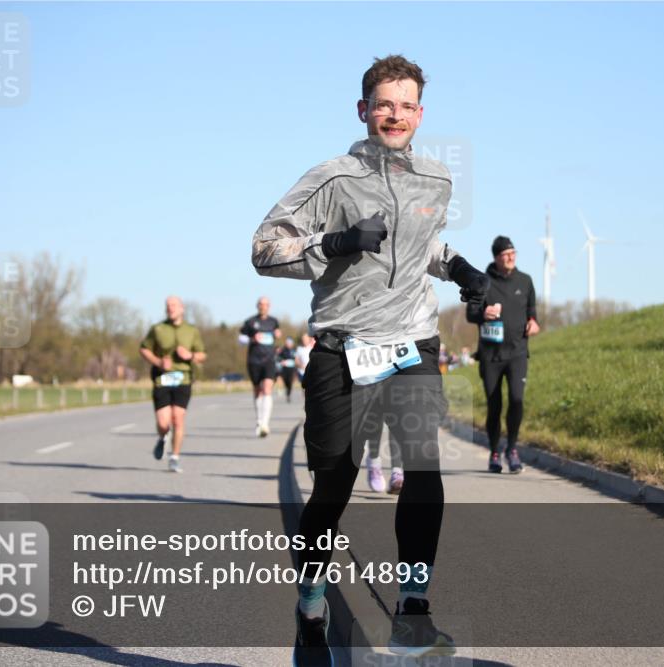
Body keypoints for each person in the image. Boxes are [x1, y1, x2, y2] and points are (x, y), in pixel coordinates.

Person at [252, 54, 489, 665]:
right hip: (342, 345)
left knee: (424, 471)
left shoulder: (436, 179)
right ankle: (310, 601)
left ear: (420, 114)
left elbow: (421, 244)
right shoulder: (332, 178)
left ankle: (412, 611)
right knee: (334, 484)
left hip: (412, 341)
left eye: (406, 105)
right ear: (364, 110)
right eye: (384, 104)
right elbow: (264, 248)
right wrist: (331, 242)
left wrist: (459, 268)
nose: (395, 115)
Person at [466, 236, 540, 474]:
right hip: (491, 355)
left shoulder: (525, 281)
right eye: (506, 254)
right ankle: (495, 451)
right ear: (496, 257)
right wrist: (482, 312)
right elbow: (471, 313)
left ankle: (512, 449)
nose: (511, 257)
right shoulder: (483, 281)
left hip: (517, 352)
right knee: (494, 406)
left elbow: (533, 314)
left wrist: (534, 323)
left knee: (517, 400)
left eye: (513, 253)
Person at [139, 296, 206, 473]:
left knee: (178, 417)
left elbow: (202, 355)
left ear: (182, 308)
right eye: (168, 306)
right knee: (163, 422)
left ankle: (174, 457)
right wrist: (158, 362)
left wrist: (189, 356)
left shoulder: (191, 331)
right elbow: (144, 349)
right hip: (162, 378)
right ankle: (163, 437)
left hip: (183, 378)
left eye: (174, 305)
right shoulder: (158, 329)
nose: (171, 308)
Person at [239, 296, 282, 437]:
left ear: (269, 306)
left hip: (269, 360)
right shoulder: (250, 322)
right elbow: (240, 338)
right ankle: (259, 420)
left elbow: (277, 334)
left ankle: (265, 423)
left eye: (266, 304)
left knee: (267, 389)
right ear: (257, 305)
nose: (263, 306)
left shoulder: (274, 321)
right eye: (261, 304)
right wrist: (251, 338)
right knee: (258, 391)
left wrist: (277, 334)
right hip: (254, 360)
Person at [278, 337, 298, 403]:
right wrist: (281, 361)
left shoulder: (294, 350)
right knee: (285, 380)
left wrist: (296, 362)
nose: (288, 344)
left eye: (290, 343)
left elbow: (297, 358)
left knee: (290, 381)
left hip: (292, 368)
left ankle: (288, 394)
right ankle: (287, 389)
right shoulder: (283, 350)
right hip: (285, 368)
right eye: (287, 343)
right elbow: (278, 358)